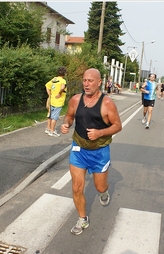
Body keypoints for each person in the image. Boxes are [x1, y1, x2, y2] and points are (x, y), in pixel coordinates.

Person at [60, 68, 122, 235]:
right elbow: (69, 116)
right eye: (84, 80)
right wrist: (66, 124)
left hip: (99, 152)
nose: (86, 84)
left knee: (99, 186)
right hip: (79, 149)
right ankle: (82, 219)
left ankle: (104, 192)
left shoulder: (107, 103)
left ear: (99, 82)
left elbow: (117, 126)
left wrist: (100, 133)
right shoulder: (75, 99)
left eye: (90, 81)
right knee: (76, 187)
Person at [45, 66, 67, 137]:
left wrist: (50, 94)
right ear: (64, 74)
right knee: (55, 117)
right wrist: (59, 93)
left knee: (50, 115)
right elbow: (63, 87)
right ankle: (52, 131)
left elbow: (47, 86)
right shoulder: (63, 80)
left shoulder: (54, 79)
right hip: (58, 102)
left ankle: (48, 128)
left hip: (52, 100)